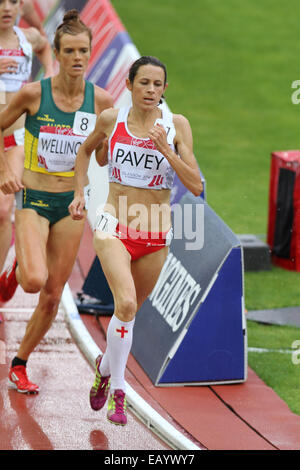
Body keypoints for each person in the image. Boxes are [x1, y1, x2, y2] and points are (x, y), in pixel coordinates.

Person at [69, 55, 203, 426]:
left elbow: (195, 185)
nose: (150, 90)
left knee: (127, 313)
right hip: (113, 224)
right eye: (143, 83)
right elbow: (84, 153)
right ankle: (120, 391)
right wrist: (80, 193)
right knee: (125, 302)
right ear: (129, 85)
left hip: (155, 234)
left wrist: (166, 150)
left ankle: (104, 365)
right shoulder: (112, 119)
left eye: (157, 84)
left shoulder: (176, 127)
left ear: (164, 90)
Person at [0, 9, 113, 393]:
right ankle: (14, 273)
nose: (78, 58)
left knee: (51, 295)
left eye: (84, 51)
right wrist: (5, 168)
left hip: (70, 204)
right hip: (32, 197)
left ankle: (20, 363)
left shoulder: (102, 102)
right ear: (59, 53)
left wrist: (103, 146)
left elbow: (101, 158)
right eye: (70, 51)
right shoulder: (34, 94)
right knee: (34, 280)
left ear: (90, 52)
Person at [0, 0, 53, 284]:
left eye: (13, 2)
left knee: (2, 210)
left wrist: (50, 71)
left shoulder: (26, 37)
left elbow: (44, 44)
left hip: (17, 139)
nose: (7, 8)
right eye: (1, 2)